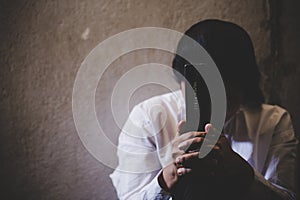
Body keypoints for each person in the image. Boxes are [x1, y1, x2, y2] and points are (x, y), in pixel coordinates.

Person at [110, 19, 298, 200]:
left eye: (226, 97)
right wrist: (172, 174)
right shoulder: (148, 117)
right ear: (181, 80)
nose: (214, 109)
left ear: (245, 88)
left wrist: (241, 173)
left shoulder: (273, 121)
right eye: (200, 94)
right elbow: (130, 196)